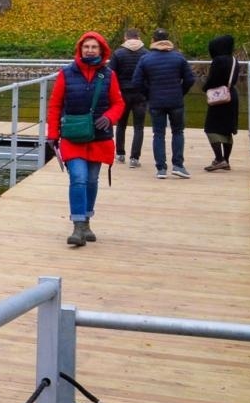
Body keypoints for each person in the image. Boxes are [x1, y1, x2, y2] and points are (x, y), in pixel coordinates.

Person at [47, 31, 126, 247]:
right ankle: (78, 226)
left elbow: (119, 103)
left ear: (101, 50)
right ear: (80, 49)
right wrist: (52, 134)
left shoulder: (108, 75)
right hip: (73, 136)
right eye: (86, 47)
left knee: (92, 180)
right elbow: (55, 105)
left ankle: (87, 219)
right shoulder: (66, 74)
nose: (89, 50)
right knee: (78, 178)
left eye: (94, 47)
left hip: (99, 137)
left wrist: (109, 118)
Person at [131, 27, 195, 179]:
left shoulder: (146, 59)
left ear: (153, 40)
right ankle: (178, 165)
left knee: (158, 134)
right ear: (168, 40)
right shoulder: (178, 57)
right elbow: (190, 79)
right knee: (178, 132)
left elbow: (136, 82)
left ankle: (161, 168)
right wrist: (180, 92)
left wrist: (149, 93)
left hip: (156, 101)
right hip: (176, 101)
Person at [202, 34, 241, 171]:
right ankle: (226, 160)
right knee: (227, 129)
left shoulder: (218, 61)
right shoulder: (235, 60)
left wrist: (205, 88)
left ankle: (219, 158)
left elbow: (213, 79)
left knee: (211, 128)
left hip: (219, 97)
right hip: (231, 95)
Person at [111, 28, 148, 168]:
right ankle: (135, 158)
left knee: (121, 124)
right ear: (138, 37)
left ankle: (120, 154)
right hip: (140, 93)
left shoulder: (118, 53)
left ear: (125, 38)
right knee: (139, 126)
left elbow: (111, 74)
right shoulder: (146, 53)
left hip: (122, 93)